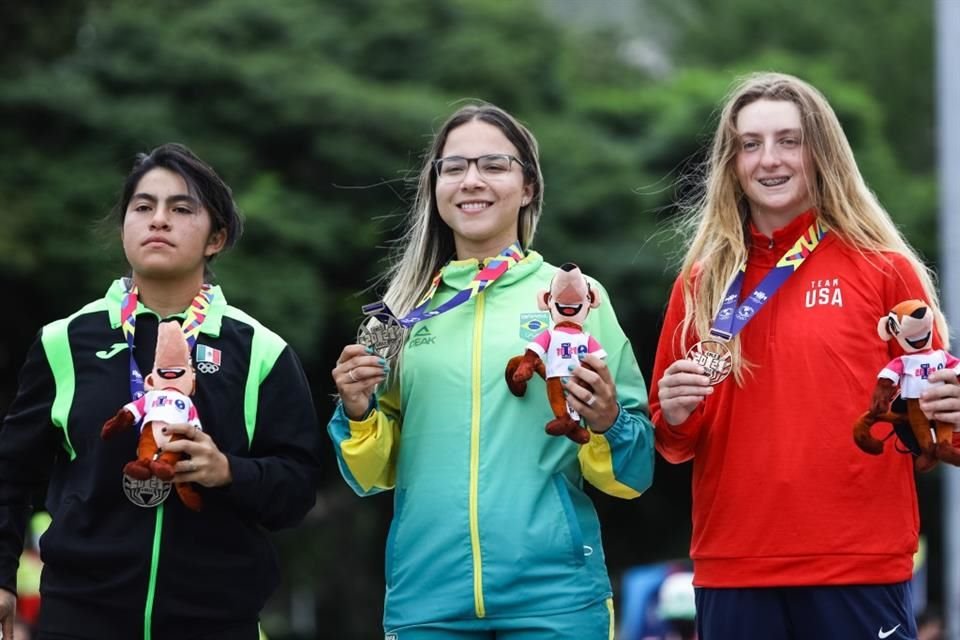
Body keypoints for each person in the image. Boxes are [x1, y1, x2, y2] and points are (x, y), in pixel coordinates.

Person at [328, 102, 655, 639]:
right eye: (453, 167)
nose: (471, 180)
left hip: (555, 599)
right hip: (427, 599)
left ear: (527, 187)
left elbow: (630, 475)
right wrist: (357, 409)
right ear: (435, 188)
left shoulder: (577, 297)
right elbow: (370, 475)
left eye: (493, 165)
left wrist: (607, 420)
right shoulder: (401, 310)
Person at [649, 71, 956, 639]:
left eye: (789, 140)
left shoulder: (884, 270)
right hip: (734, 568)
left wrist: (949, 412)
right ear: (731, 163)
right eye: (750, 144)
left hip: (857, 564)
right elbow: (672, 445)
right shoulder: (699, 284)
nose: (770, 159)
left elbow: (932, 427)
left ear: (821, 153)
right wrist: (670, 411)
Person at [0, 143, 322, 640]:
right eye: (143, 207)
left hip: (215, 622)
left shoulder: (261, 351)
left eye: (181, 208)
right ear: (125, 225)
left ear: (216, 238)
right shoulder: (65, 341)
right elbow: (11, 473)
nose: (159, 220)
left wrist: (228, 472)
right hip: (77, 619)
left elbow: (297, 488)